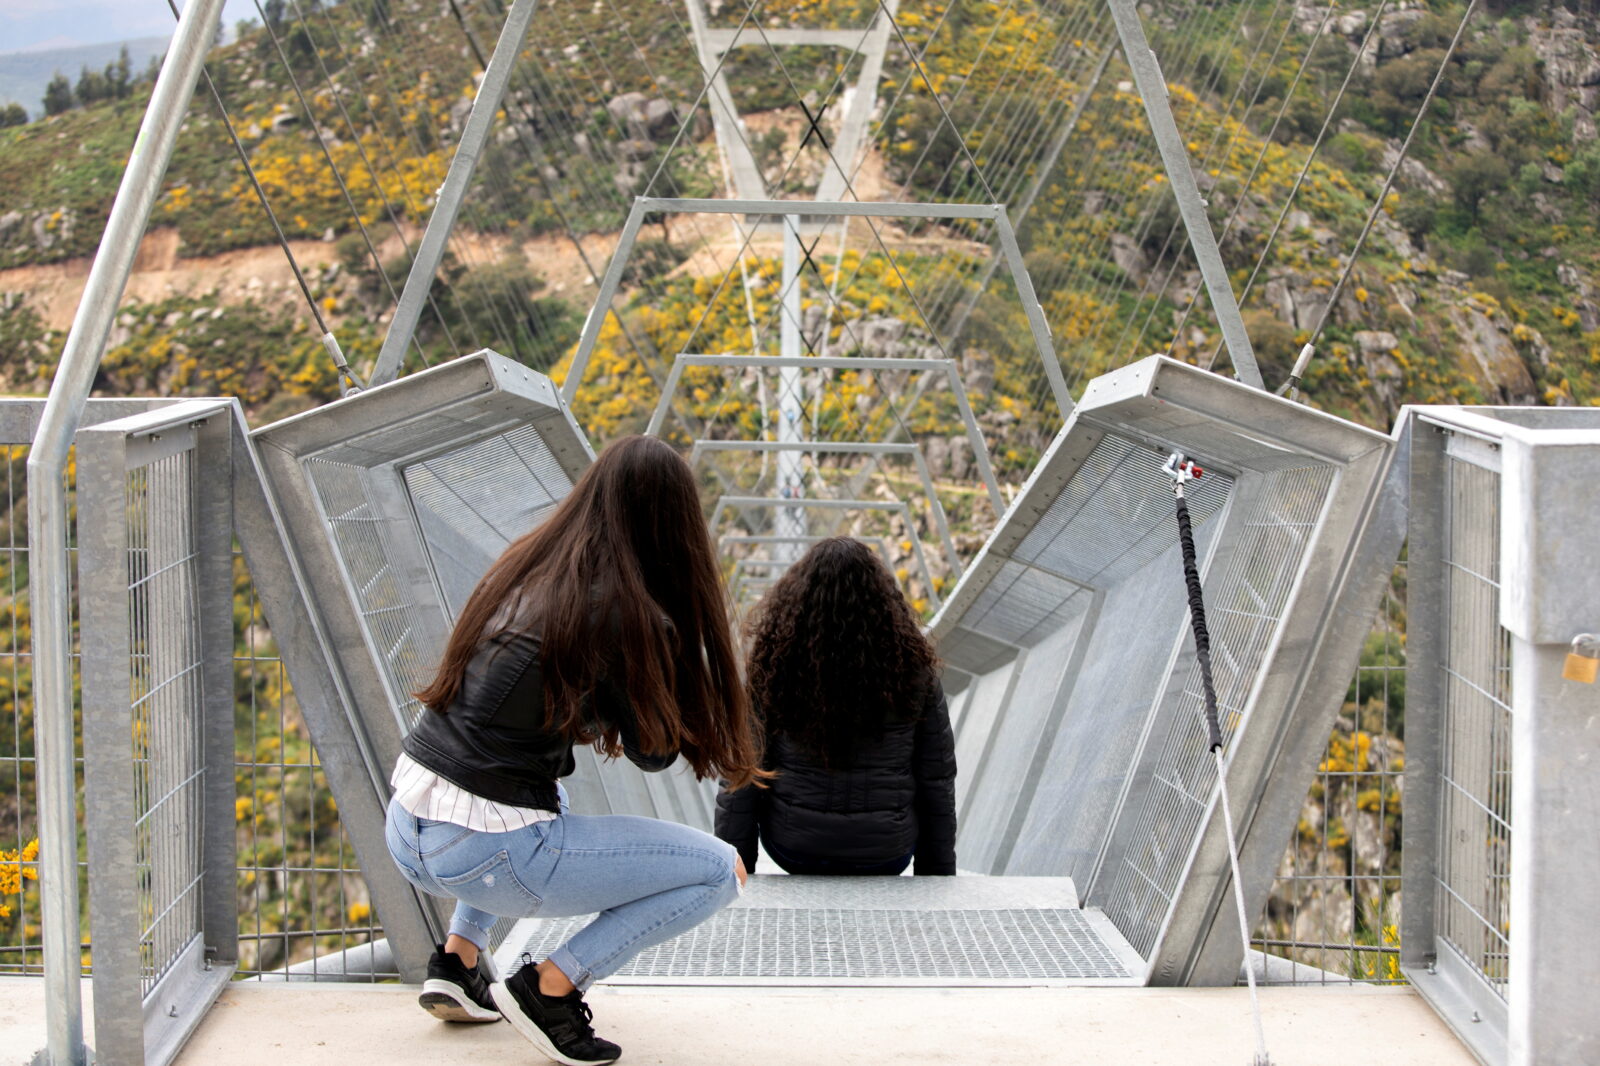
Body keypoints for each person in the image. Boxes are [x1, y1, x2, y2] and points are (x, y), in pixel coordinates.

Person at [384, 435, 765, 1066]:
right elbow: (653, 754)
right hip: (488, 856)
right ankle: (550, 988)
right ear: (675, 528)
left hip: (406, 824)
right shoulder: (627, 612)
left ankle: (458, 959)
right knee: (719, 870)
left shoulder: (526, 565)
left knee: (545, 788)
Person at [715, 536, 956, 877]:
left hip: (794, 849)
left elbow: (742, 774)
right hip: (886, 853)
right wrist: (938, 876)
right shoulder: (914, 673)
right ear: (884, 601)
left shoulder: (772, 666)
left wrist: (737, 873)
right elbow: (936, 778)